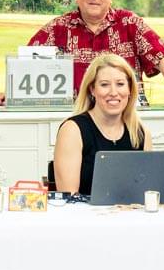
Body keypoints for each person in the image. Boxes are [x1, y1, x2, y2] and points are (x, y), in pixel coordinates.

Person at [0, 0, 164, 106]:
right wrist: (8, 95)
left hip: (126, 119)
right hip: (76, 123)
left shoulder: (130, 24)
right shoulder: (57, 29)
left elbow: (163, 58)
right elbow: (26, 71)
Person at [53, 53, 153, 195]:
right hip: (84, 215)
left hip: (131, 215)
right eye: (104, 85)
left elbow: (148, 192)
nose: (113, 92)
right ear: (92, 89)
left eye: (120, 84)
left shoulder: (141, 133)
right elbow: (69, 197)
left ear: (130, 89)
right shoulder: (72, 130)